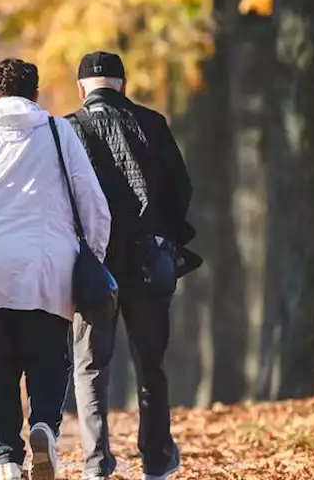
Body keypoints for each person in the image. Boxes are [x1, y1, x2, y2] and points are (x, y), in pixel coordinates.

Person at [0, 58, 111, 480]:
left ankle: (7, 458)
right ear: (36, 93)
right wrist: (92, 259)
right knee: (49, 357)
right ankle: (45, 423)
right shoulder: (58, 131)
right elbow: (93, 204)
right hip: (46, 263)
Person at [66, 51, 194, 480]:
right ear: (124, 83)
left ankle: (96, 462)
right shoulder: (152, 123)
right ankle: (157, 459)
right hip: (148, 261)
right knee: (151, 363)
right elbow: (181, 187)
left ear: (81, 87)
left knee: (90, 365)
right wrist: (169, 236)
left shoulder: (67, 129)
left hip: (92, 263)